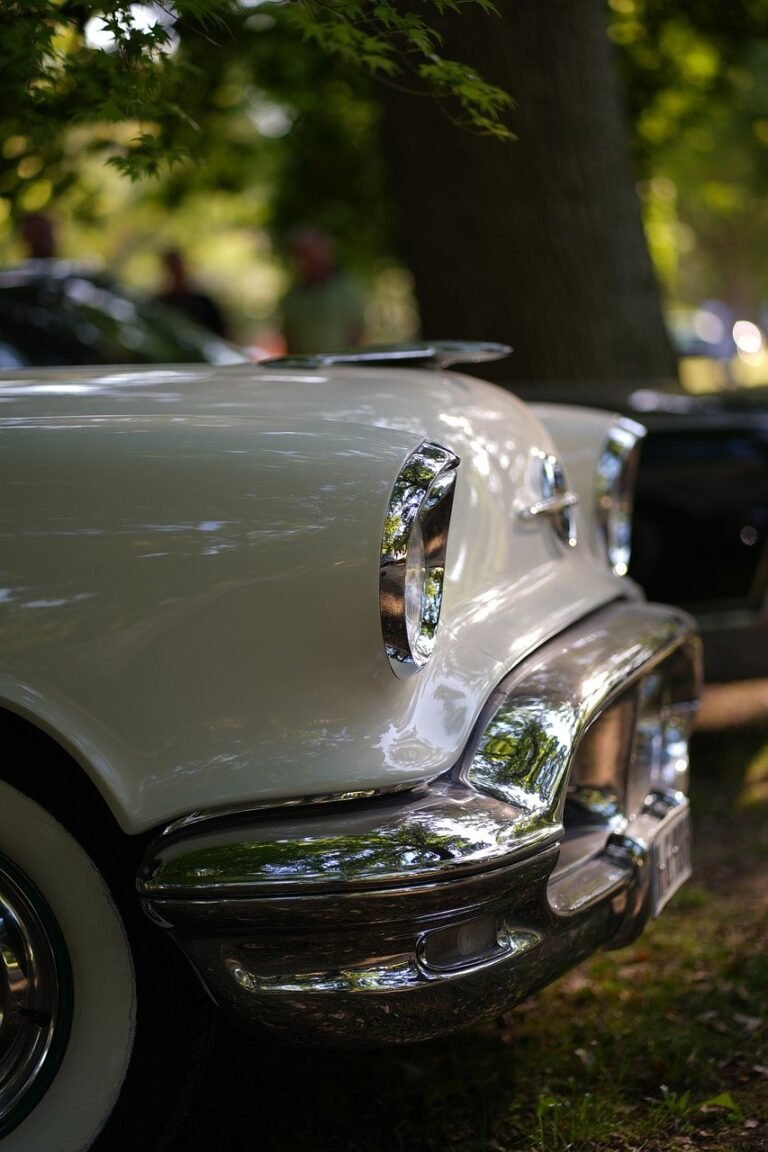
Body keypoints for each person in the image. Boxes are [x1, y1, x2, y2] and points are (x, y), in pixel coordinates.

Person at [279, 227, 366, 354]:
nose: (306, 260)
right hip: (304, 368)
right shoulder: (293, 297)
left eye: (310, 253)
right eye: (301, 254)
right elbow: (289, 336)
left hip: (341, 367)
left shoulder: (346, 290)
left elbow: (358, 330)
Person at [157, 249, 229, 338]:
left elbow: (221, 333)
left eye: (178, 266)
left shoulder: (203, 302)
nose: (176, 273)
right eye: (172, 267)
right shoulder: (161, 304)